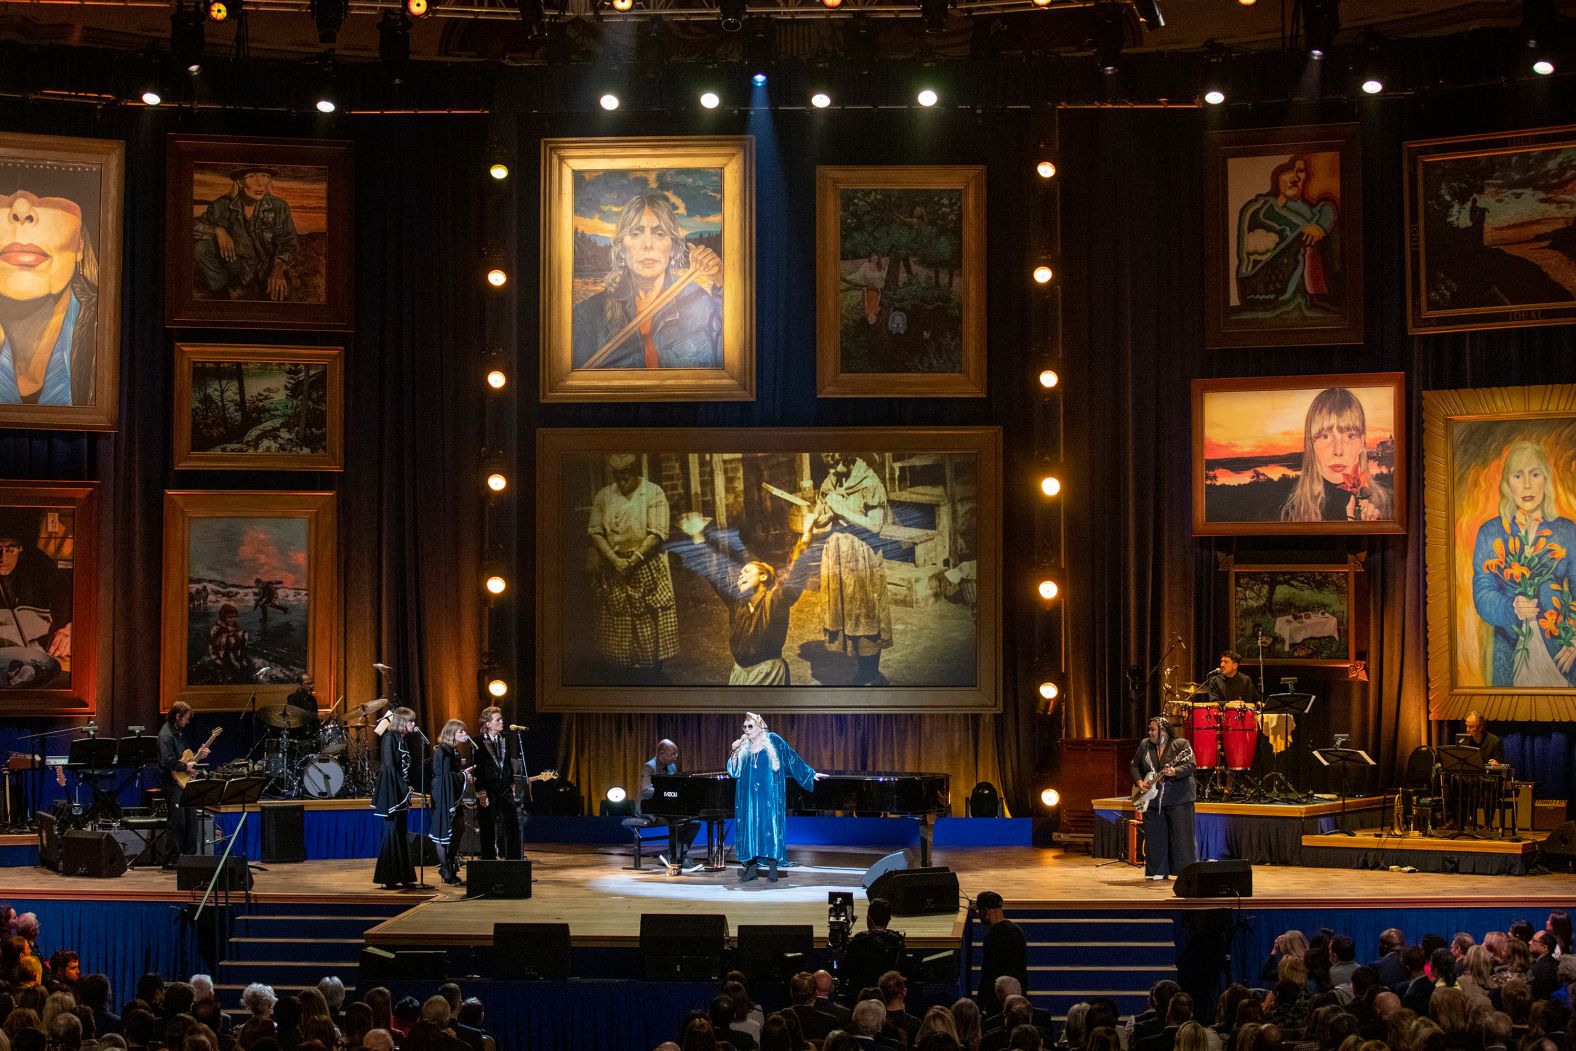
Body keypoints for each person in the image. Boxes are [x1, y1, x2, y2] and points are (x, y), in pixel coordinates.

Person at [569, 193, 723, 370]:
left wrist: (719, 281)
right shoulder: (587, 315)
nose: (648, 244)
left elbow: (730, 364)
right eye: (635, 233)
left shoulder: (700, 302)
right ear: (621, 247)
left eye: (659, 234)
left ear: (672, 247)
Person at [1471, 441, 1576, 688]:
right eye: (1518, 476)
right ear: (1507, 484)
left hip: (1561, 653)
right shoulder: (1491, 532)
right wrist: (1511, 608)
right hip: (1511, 650)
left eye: (1535, 474)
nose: (1527, 485)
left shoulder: (1567, 531)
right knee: (1512, 720)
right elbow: (1483, 594)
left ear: (1546, 481)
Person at [677, 516, 815, 685]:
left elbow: (795, 572)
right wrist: (697, 537)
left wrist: (807, 534)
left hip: (767, 673)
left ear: (763, 576)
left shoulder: (774, 601)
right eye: (741, 573)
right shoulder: (737, 603)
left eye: (748, 571)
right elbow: (712, 574)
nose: (742, 575)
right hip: (739, 674)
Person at [0, 180, 101, 407]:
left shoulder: (111, 328)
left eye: (50, 197)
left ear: (80, 246)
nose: (22, 208)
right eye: (3, 196)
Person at [586, 453, 679, 682]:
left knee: (648, 618)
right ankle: (625, 675)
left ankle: (651, 675)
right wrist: (614, 559)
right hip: (614, 567)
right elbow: (596, 531)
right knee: (619, 618)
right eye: (618, 474)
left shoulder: (653, 492)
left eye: (626, 473)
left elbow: (658, 531)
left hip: (646, 564)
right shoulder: (604, 495)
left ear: (635, 471)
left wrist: (635, 558)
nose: (622, 479)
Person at [802, 453, 893, 686]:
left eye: (837, 465)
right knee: (846, 611)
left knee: (865, 614)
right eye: (829, 466)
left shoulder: (870, 483)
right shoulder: (832, 480)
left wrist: (842, 510)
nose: (833, 471)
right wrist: (816, 517)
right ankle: (863, 672)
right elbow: (824, 519)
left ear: (852, 459)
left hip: (861, 555)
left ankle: (870, 675)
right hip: (838, 555)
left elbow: (875, 525)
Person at [1234, 155, 1337, 321]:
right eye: (1289, 170)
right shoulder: (1260, 208)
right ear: (1276, 175)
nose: (1295, 177)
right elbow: (1303, 226)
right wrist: (1322, 220)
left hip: (1295, 292)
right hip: (1261, 290)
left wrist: (1324, 218)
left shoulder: (1305, 210)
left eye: (1300, 172)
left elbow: (1326, 210)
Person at [726, 712, 825, 883]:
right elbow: (734, 772)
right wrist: (734, 752)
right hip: (748, 798)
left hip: (769, 796)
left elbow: (792, 758)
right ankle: (751, 868)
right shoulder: (743, 747)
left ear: (760, 727)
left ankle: (773, 868)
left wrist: (810, 774)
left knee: (769, 827)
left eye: (750, 726)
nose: (747, 730)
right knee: (749, 829)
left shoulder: (773, 740)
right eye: (745, 727)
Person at [1279, 388, 1394, 523]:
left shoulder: (1387, 504)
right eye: (1325, 436)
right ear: (1311, 445)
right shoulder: (1290, 511)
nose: (1338, 451)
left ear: (1362, 444)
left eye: (1350, 436)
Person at [192, 166, 301, 303]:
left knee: (282, 296)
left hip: (267, 266)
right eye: (252, 176)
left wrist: (278, 269)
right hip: (236, 265)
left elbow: (289, 243)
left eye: (264, 176)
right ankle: (221, 292)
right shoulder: (221, 206)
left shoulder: (279, 207)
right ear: (239, 182)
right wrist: (217, 230)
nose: (260, 183)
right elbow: (194, 227)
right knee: (202, 247)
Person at [0, 513, 71, 688]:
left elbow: (82, 608)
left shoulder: (41, 569)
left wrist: (70, 631)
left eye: (10, 549)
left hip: (42, 663)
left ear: (22, 549)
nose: (2, 558)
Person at [1130, 716, 1197, 881]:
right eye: (1149, 729)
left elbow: (1191, 765)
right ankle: (1157, 870)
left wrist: (1174, 772)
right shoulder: (1145, 745)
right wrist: (1139, 782)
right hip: (1152, 799)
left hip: (1178, 798)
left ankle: (1184, 872)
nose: (1150, 732)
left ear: (1164, 732)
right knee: (1155, 837)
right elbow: (1134, 765)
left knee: (1181, 838)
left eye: (1153, 729)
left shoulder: (1181, 745)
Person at [157, 701, 210, 869]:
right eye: (185, 718)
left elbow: (185, 757)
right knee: (177, 822)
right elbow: (167, 761)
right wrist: (185, 767)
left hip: (183, 782)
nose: (188, 722)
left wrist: (198, 756)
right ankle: (172, 859)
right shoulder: (166, 735)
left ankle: (188, 858)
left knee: (191, 821)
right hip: (172, 784)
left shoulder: (178, 733)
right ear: (177, 716)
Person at [371, 707, 417, 890]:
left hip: (400, 789)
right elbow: (389, 766)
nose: (413, 724)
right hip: (392, 789)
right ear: (401, 722)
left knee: (401, 831)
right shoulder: (390, 738)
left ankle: (404, 876)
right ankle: (389, 877)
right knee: (392, 832)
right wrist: (403, 787)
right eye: (410, 721)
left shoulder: (401, 740)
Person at [471, 707, 521, 861]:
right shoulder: (477, 741)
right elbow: (477, 769)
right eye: (497, 720)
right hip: (488, 788)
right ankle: (488, 859)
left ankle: (513, 858)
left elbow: (507, 764)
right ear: (488, 723)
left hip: (504, 787)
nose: (501, 722)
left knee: (512, 824)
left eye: (501, 719)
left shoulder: (504, 738)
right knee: (487, 825)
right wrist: (481, 792)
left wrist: (512, 785)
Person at [429, 719, 470, 887]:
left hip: (451, 794)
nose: (464, 734)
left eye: (464, 731)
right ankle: (445, 868)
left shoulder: (453, 751)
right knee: (443, 830)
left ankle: (451, 863)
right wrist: (463, 776)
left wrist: (463, 774)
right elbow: (445, 776)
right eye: (460, 732)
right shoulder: (444, 750)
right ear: (451, 733)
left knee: (459, 826)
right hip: (443, 795)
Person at [843, 899, 907, 1006]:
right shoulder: (897, 942)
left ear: (868, 918)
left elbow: (846, 971)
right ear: (889, 919)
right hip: (888, 1001)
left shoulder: (859, 941)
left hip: (860, 1002)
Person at [974, 892, 1027, 1016]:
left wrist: (980, 1005)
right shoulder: (1018, 931)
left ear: (985, 910)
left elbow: (988, 973)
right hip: (1018, 997)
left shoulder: (992, 937)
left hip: (997, 1001)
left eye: (979, 912)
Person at [205, 604, 250, 681]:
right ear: (223, 617)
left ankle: (242, 656)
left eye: (234, 617)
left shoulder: (235, 625)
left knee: (244, 634)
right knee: (227, 638)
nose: (232, 619)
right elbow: (212, 642)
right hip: (220, 650)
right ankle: (225, 665)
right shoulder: (216, 628)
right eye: (229, 617)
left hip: (233, 647)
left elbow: (238, 633)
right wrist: (214, 656)